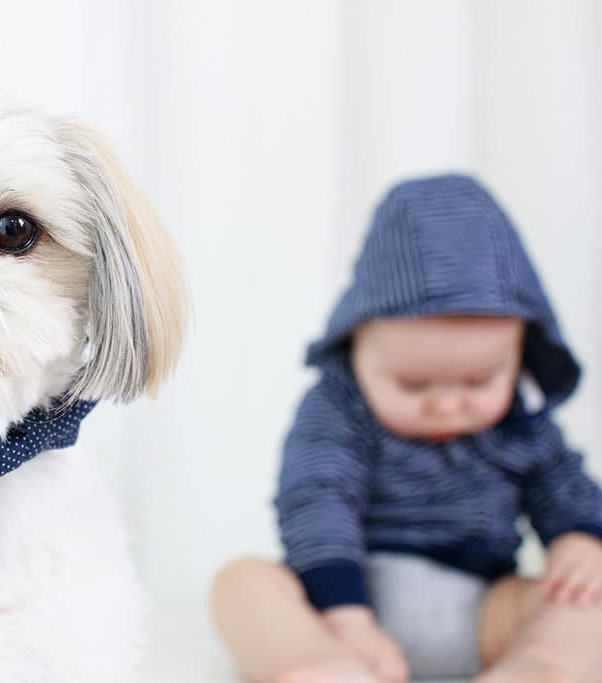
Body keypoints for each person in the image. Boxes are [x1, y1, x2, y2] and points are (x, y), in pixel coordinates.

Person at [211, 175, 602, 683]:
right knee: (242, 582)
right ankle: (315, 665)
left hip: (485, 610)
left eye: (479, 380)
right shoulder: (339, 409)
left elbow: (562, 484)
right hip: (344, 605)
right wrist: (346, 617)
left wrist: (581, 538)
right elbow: (316, 496)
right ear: (357, 348)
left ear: (519, 356)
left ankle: (538, 669)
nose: (446, 405)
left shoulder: (523, 425)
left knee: (586, 601)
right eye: (415, 384)